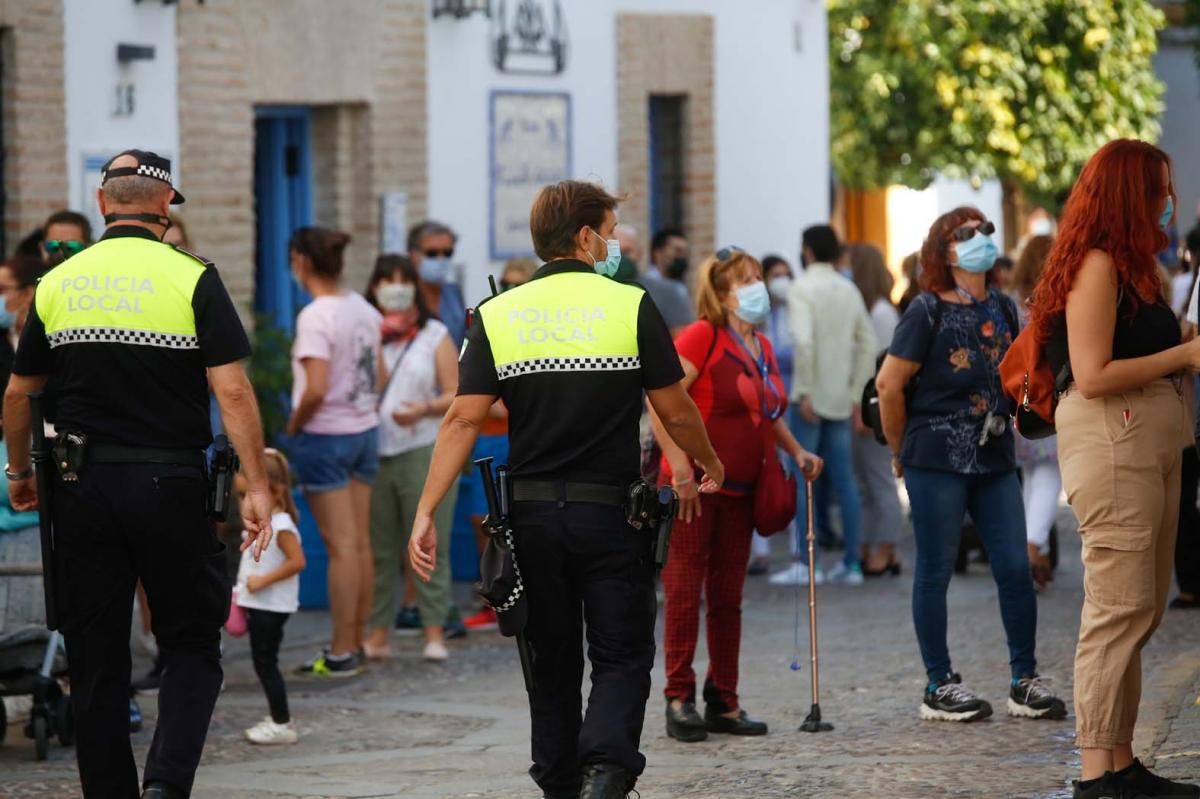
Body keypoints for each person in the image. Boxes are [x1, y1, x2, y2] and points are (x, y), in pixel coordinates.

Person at [408, 179, 723, 799]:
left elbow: (463, 419)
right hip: (611, 516)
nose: (612, 245)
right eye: (607, 232)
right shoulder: (628, 306)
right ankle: (605, 773)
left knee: (549, 662)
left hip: (530, 520)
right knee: (622, 655)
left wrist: (426, 510)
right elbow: (675, 408)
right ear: (584, 237)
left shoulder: (499, 314)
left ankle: (558, 784)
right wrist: (707, 459)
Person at [2, 148, 273, 799]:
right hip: (172, 486)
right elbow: (232, 392)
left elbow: (18, 393)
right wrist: (257, 484)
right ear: (164, 207)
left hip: (80, 487)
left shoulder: (60, 285)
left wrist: (18, 470)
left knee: (95, 656)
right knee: (189, 641)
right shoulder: (192, 276)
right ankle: (166, 784)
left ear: (102, 204)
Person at [1029, 140, 1200, 799]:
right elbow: (1094, 373)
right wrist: (1182, 359)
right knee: (1117, 608)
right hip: (1113, 439)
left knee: (1142, 607)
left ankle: (1120, 761)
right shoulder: (1098, 265)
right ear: (1131, 194)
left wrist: (1177, 341)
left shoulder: (1135, 268)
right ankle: (1098, 774)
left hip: (1147, 439)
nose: (1167, 202)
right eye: (1158, 189)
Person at [875, 205, 1065, 727]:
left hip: (995, 454)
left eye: (986, 230)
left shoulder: (1003, 306)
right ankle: (939, 684)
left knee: (1014, 566)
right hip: (935, 457)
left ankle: (1024, 680)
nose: (981, 237)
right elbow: (889, 386)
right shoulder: (925, 311)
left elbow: (1017, 372)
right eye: (966, 232)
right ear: (946, 249)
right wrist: (899, 450)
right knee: (935, 570)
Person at [652, 247, 822, 744]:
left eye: (757, 278)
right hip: (693, 489)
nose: (757, 286)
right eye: (746, 280)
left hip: (743, 489)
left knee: (728, 598)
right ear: (722, 295)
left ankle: (723, 699)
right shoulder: (702, 335)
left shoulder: (762, 346)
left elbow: (768, 415)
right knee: (684, 594)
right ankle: (677, 697)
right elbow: (662, 401)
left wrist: (798, 451)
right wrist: (680, 466)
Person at [287, 226, 382, 679]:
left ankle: (341, 650)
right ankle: (356, 641)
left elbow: (315, 388)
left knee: (340, 546)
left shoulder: (315, 316)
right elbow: (378, 371)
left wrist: (292, 426)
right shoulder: (362, 308)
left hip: (325, 435)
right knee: (359, 542)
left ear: (300, 261)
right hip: (365, 430)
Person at [363, 254, 460, 662]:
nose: (396, 287)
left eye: (404, 279)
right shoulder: (365, 329)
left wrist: (422, 409)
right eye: (388, 279)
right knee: (380, 550)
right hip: (371, 449)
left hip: (421, 448)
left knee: (426, 543)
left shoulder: (434, 334)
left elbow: (457, 391)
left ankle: (434, 631)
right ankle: (378, 633)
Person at [781, 225, 875, 585]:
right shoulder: (848, 288)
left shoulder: (801, 288)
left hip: (809, 399)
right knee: (844, 480)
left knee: (804, 479)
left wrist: (803, 389)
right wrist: (856, 395)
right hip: (839, 398)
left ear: (806, 251)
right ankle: (852, 564)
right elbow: (867, 344)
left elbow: (803, 343)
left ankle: (809, 564)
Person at [235, 448, 305, 745]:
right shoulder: (265, 523)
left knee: (266, 663)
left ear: (273, 492)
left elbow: (297, 562)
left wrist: (262, 581)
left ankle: (282, 722)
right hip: (258, 603)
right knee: (263, 662)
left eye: (246, 495)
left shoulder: (282, 527)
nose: (243, 504)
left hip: (271, 605)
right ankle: (278, 716)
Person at [846, 243, 904, 576]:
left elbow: (879, 367)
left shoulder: (881, 313)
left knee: (879, 480)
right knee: (866, 482)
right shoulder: (872, 309)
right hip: (865, 403)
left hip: (873, 405)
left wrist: (868, 410)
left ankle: (886, 547)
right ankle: (872, 544)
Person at [1009, 234, 1060, 590]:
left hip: (1020, 403)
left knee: (1031, 477)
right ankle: (1031, 546)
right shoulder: (1054, 300)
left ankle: (1032, 548)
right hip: (1049, 398)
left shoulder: (1011, 303)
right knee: (1048, 477)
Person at [749, 254, 796, 575]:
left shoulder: (796, 312)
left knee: (792, 468)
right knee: (760, 469)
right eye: (775, 275)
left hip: (790, 400)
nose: (782, 280)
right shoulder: (756, 318)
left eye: (786, 274)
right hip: (761, 404)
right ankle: (760, 551)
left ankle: (797, 547)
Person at [408, 220, 467, 346]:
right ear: (413, 255)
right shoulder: (405, 294)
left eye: (447, 253)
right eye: (432, 253)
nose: (441, 259)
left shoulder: (453, 293)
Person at [642, 227, 694, 334]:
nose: (682, 257)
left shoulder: (680, 287)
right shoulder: (645, 287)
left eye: (685, 252)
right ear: (658, 253)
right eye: (677, 251)